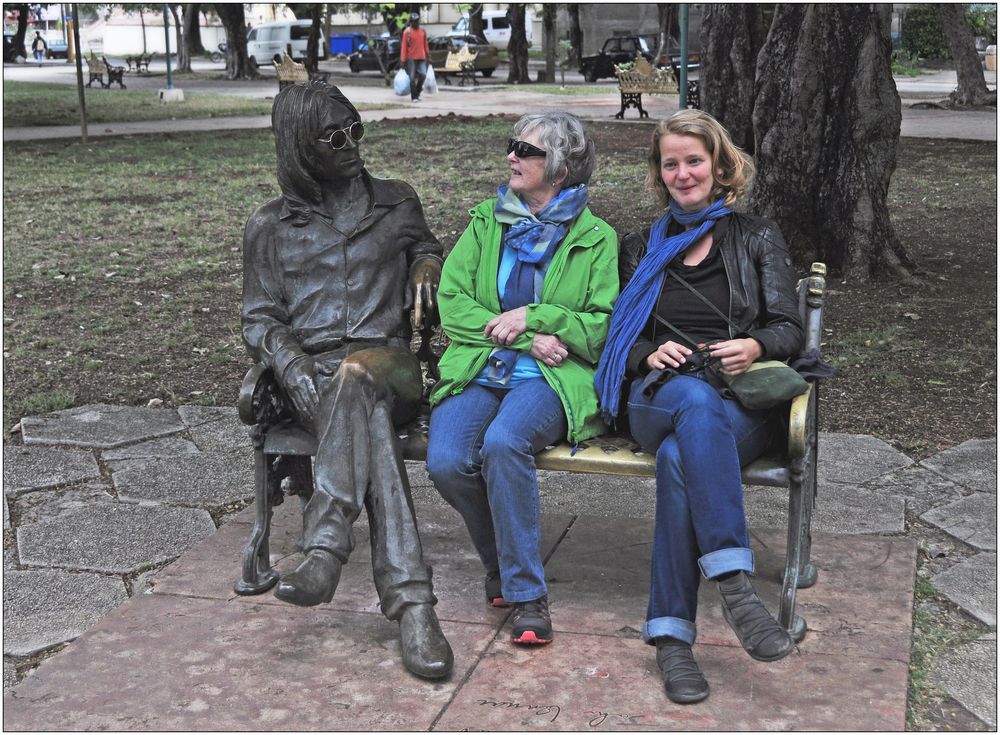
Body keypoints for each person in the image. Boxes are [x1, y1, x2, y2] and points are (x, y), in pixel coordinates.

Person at [241, 81, 453, 681]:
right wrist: (291, 365)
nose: (350, 144)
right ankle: (414, 608)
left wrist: (427, 264)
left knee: (361, 379)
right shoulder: (270, 227)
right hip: (314, 377)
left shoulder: (396, 202)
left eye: (355, 128)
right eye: (332, 136)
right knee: (369, 425)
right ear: (299, 147)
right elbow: (259, 318)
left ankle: (327, 542)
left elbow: (427, 247)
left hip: (388, 364)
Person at [594, 109, 804, 703]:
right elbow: (617, 336)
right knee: (687, 394)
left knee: (680, 462)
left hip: (735, 403)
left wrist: (756, 343)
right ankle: (736, 587)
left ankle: (671, 639)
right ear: (659, 176)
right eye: (671, 164)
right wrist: (645, 355)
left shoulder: (756, 235)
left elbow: (790, 327)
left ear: (719, 165)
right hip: (659, 398)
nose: (683, 174)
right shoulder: (640, 246)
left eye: (694, 160)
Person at [426, 111, 619, 646]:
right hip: (481, 365)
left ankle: (527, 594)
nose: (510, 156)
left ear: (558, 169)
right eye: (512, 146)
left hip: (552, 378)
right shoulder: (488, 221)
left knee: (504, 443)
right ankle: (501, 564)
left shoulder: (596, 238)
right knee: (445, 460)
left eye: (524, 150)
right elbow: (452, 303)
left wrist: (538, 318)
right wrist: (519, 335)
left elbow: (602, 328)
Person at [400, 12, 429, 102]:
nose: (415, 23)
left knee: (423, 75)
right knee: (411, 78)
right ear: (410, 22)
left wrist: (428, 54)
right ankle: (414, 97)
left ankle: (417, 92)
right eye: (413, 21)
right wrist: (403, 60)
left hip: (421, 57)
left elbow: (425, 44)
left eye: (417, 21)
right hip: (411, 58)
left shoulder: (422, 31)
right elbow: (404, 47)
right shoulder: (407, 32)